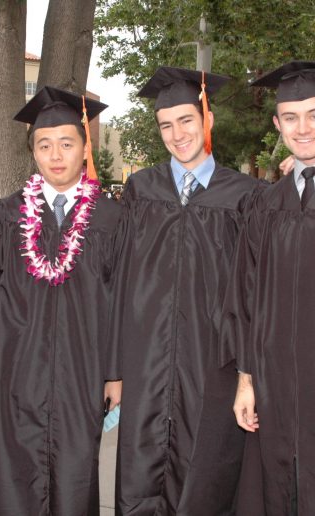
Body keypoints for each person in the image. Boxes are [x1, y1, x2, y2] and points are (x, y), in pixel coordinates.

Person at [0, 86, 124, 516]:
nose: (56, 155)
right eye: (44, 145)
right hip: (17, 371)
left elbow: (125, 299)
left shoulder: (112, 217)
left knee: (75, 473)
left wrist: (116, 373)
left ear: (85, 147)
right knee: (13, 474)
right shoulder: (5, 215)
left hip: (82, 374)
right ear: (33, 152)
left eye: (66, 143)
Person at [115, 66, 258, 515]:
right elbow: (118, 278)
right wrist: (114, 367)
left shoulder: (246, 196)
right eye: (166, 125)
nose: (177, 135)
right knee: (140, 473)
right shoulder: (141, 189)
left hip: (212, 362)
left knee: (206, 476)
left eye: (186, 121)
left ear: (207, 119)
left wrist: (247, 373)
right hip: (146, 362)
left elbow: (254, 290)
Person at [224, 60, 315, 516]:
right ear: (277, 125)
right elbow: (245, 296)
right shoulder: (265, 205)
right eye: (291, 117)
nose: (303, 128)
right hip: (274, 384)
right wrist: (246, 382)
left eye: (314, 114)